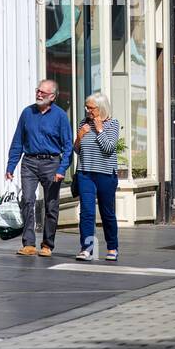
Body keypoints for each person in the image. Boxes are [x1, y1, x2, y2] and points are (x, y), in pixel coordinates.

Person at [6, 79, 74, 257]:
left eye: (43, 92)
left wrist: (62, 169)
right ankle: (28, 243)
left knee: (51, 204)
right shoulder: (27, 113)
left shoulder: (60, 116)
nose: (38, 94)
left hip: (51, 163)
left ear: (52, 96)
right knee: (27, 200)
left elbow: (68, 146)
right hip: (29, 162)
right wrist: (11, 166)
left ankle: (47, 244)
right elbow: (17, 141)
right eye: (38, 90)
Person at [74, 93, 120, 262]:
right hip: (85, 173)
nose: (87, 110)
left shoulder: (113, 124)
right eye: (86, 107)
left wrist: (100, 129)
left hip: (106, 175)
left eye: (90, 108)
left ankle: (112, 247)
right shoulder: (83, 123)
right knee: (87, 212)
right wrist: (80, 136)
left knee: (107, 213)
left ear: (101, 108)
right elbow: (77, 150)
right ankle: (87, 249)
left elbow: (109, 148)